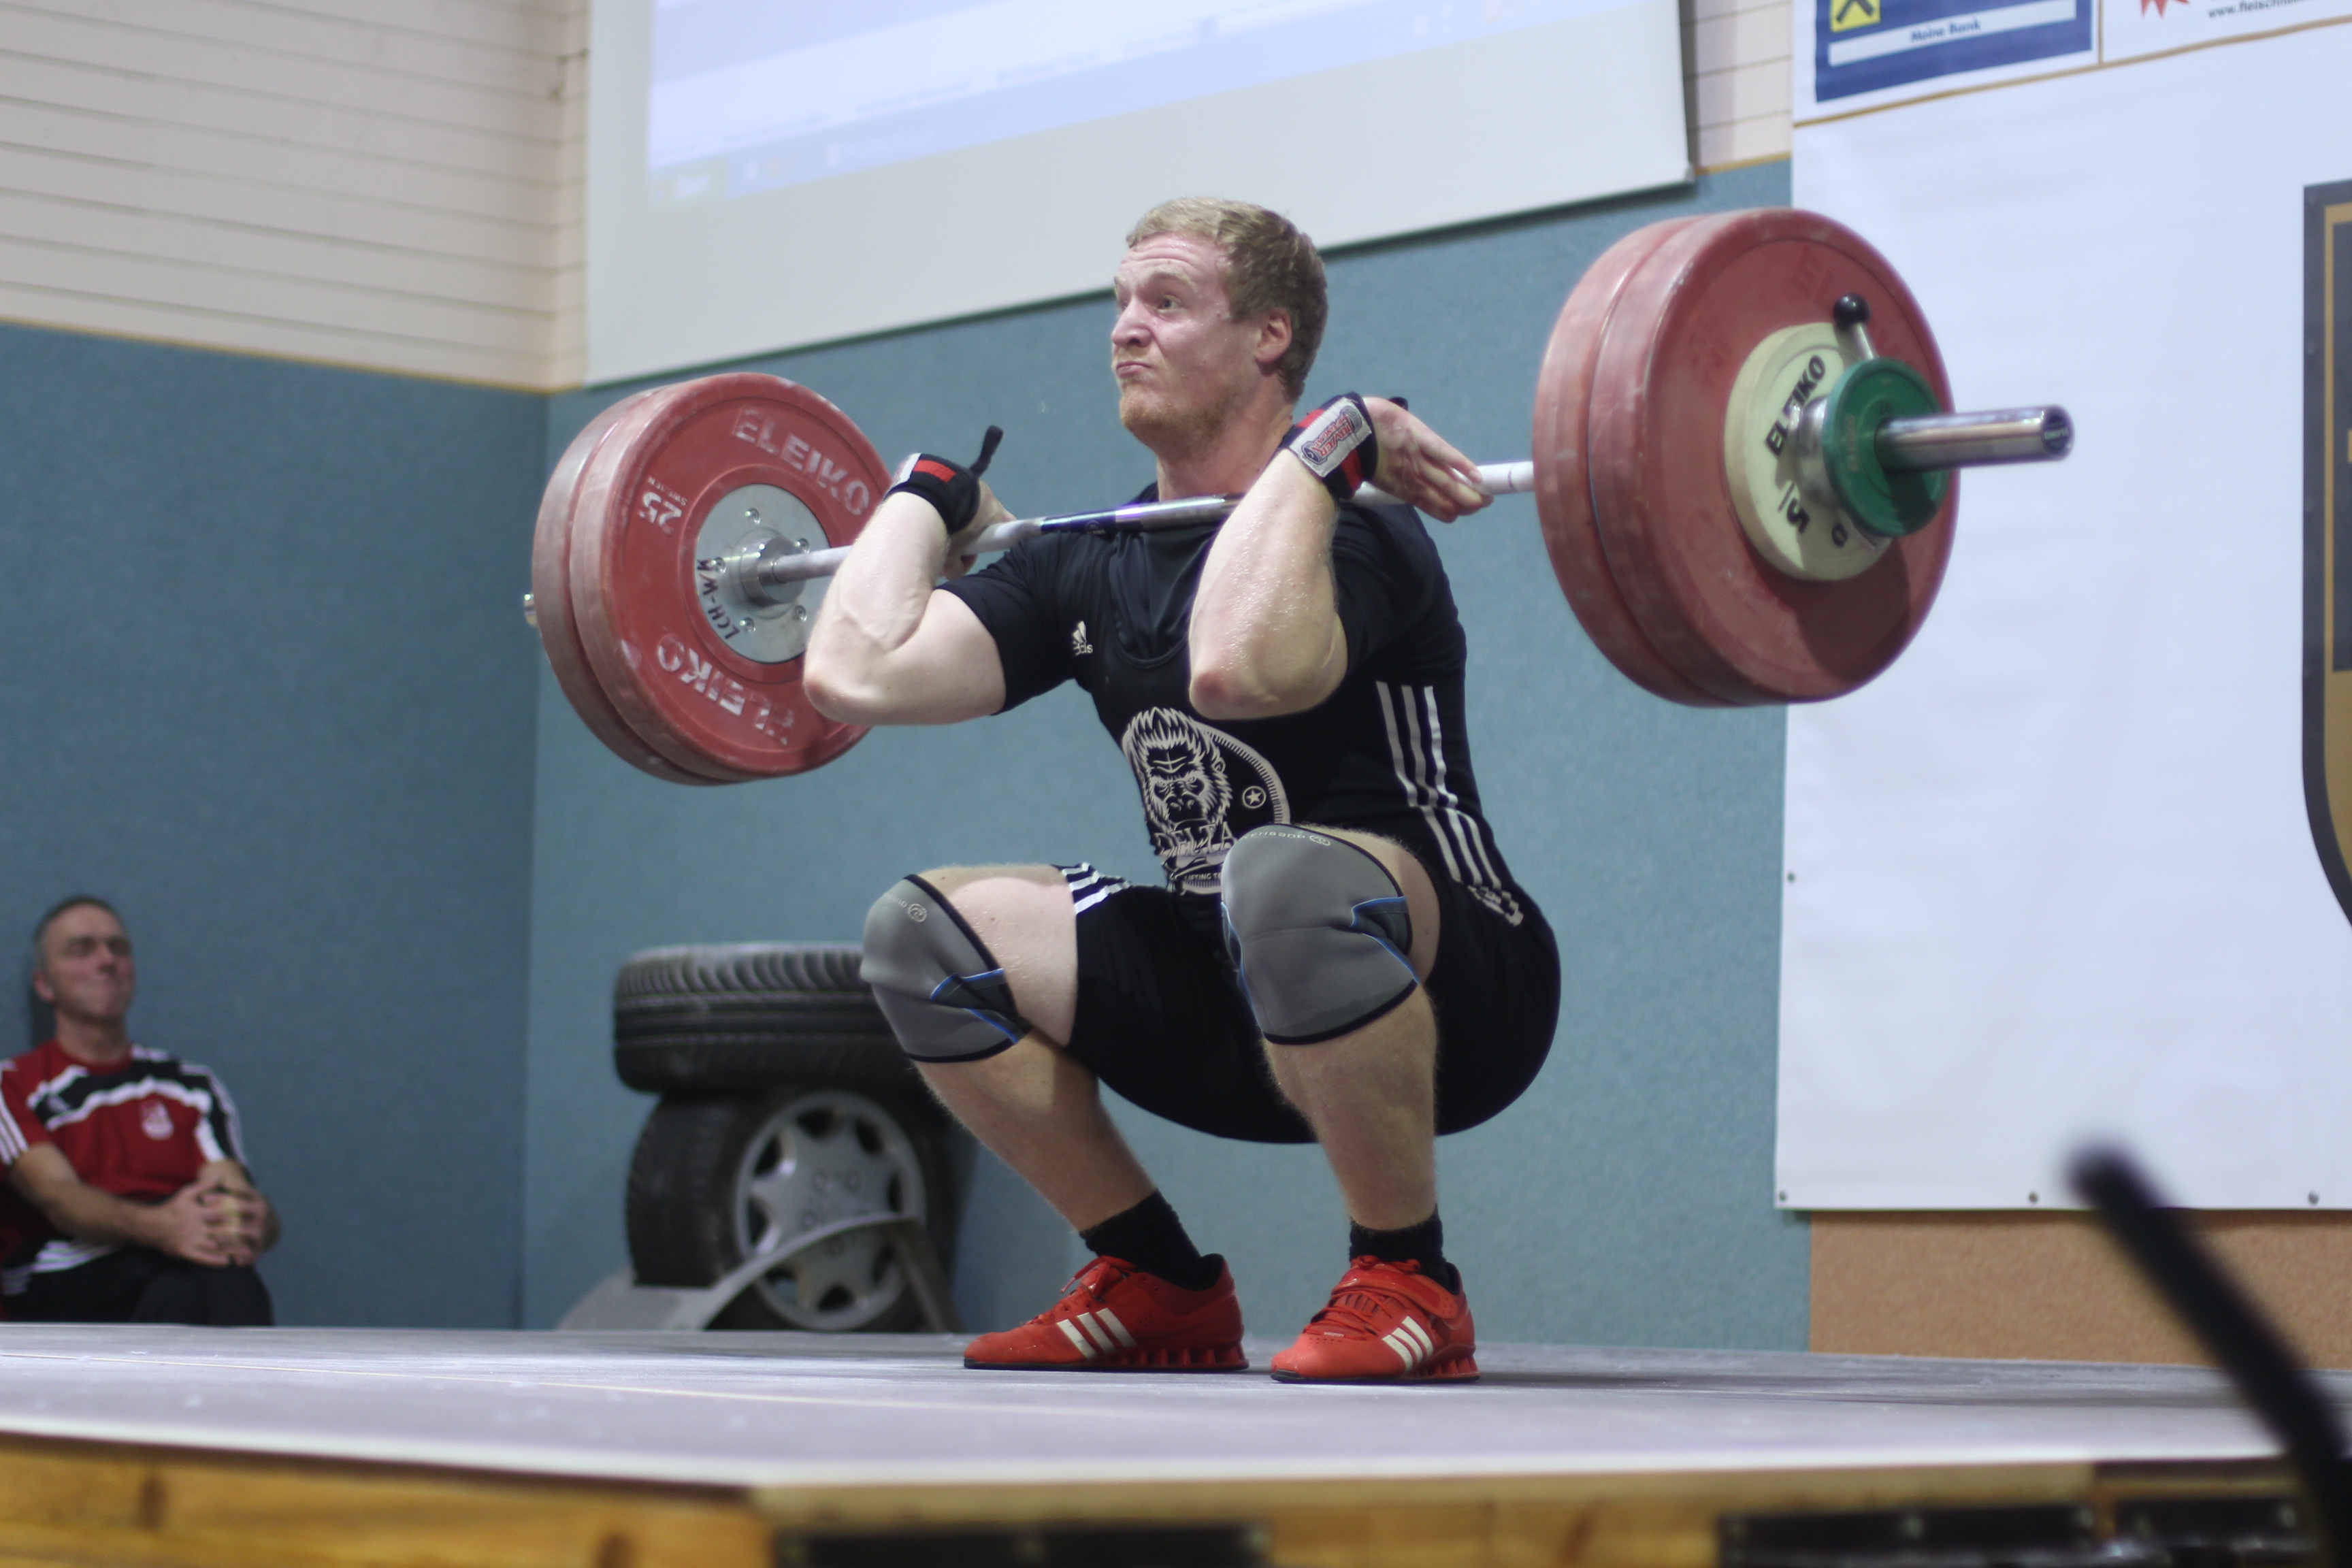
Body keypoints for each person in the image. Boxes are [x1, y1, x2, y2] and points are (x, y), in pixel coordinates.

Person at [806, 197, 1560, 1383]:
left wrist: (1326, 453)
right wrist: (925, 497)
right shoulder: (1089, 556)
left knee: (1280, 873)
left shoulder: (1358, 530)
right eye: (1119, 303)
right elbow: (854, 670)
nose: (1125, 329)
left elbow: (1235, 668)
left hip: (1460, 984)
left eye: (1164, 302)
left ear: (1269, 335)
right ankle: (1154, 1276)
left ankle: (1410, 1273)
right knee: (921, 936)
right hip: (1245, 990)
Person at [0, 897, 276, 1324]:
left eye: (119, 948)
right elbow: (59, 1197)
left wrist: (253, 1220)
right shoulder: (14, 1083)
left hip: (177, 1273)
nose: (107, 961)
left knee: (198, 1282)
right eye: (82, 949)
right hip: (63, 1275)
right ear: (45, 985)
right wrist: (162, 1227)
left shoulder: (191, 1086)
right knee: (189, 1284)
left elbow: (230, 1190)